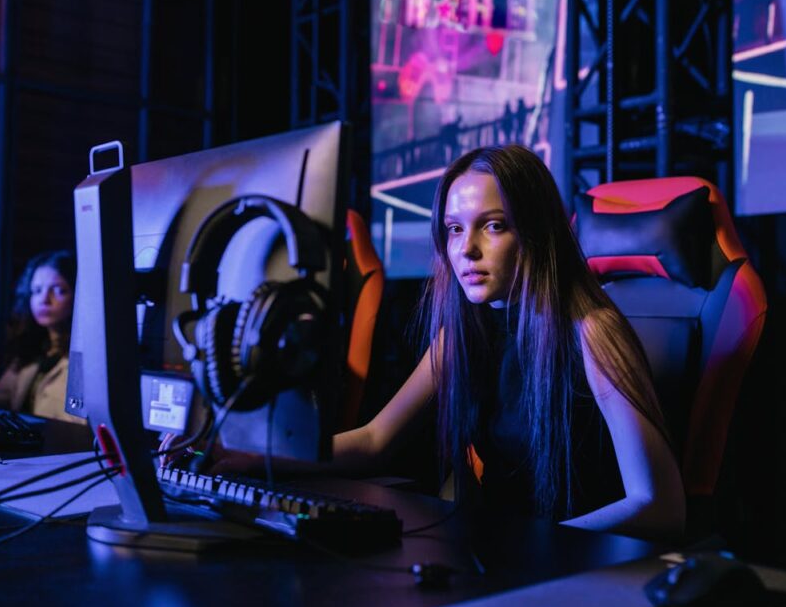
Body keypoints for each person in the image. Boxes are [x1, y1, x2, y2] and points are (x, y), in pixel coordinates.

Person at [175, 146, 685, 540]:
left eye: (493, 226)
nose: (467, 249)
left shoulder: (593, 331)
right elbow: (376, 440)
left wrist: (542, 546)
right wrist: (249, 456)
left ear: (535, 233)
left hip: (577, 570)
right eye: (454, 229)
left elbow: (659, 505)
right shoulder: (468, 328)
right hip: (510, 559)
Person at [0, 249, 79, 424]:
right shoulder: (35, 347)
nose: (44, 299)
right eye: (36, 290)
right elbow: (1, 393)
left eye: (59, 290)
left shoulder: (86, 358)